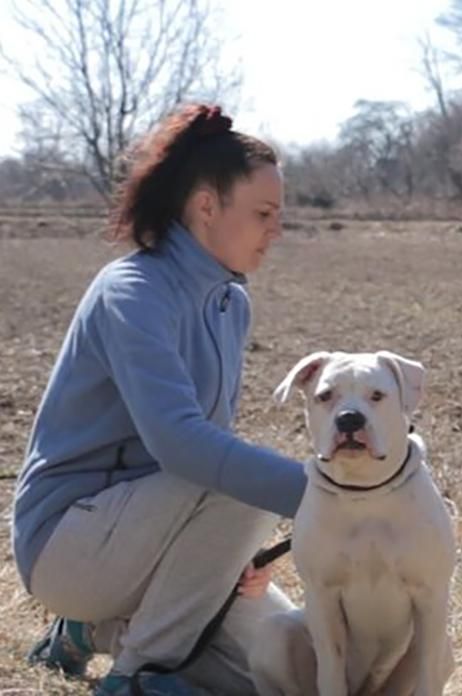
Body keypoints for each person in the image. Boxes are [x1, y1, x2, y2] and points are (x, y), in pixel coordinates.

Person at [11, 104, 307, 696]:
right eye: (264, 213)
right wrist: (321, 495)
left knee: (286, 670)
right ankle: (135, 675)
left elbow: (210, 460)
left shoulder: (230, 303)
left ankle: (92, 631)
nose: (276, 230)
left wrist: (228, 552)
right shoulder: (133, 293)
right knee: (236, 481)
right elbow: (183, 445)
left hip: (152, 541)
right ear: (205, 207)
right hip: (67, 545)